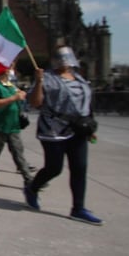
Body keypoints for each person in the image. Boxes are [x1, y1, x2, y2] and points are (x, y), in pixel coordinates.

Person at [24, 46, 103, 225]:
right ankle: (32, 188)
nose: (64, 61)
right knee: (54, 168)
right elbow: (36, 102)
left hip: (78, 130)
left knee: (79, 168)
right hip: (54, 130)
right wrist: (38, 82)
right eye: (60, 57)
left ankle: (78, 208)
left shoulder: (80, 79)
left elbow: (86, 105)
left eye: (67, 57)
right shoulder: (48, 78)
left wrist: (90, 128)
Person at [0, 62, 36, 187]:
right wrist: (14, 98)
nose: (11, 70)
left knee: (18, 151)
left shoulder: (10, 85)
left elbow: (19, 95)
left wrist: (21, 95)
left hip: (12, 125)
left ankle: (28, 178)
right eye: (9, 67)